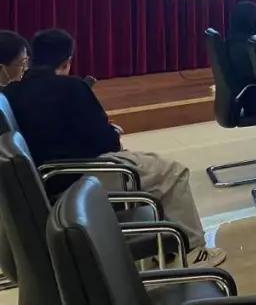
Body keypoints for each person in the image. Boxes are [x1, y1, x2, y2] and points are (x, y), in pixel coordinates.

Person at [4, 29, 224, 266]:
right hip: (77, 178)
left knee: (149, 167)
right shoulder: (72, 87)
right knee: (171, 172)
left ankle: (166, 244)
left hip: (47, 179)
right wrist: (111, 130)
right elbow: (107, 143)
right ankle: (193, 251)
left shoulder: (10, 94)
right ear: (67, 62)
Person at [225, 0, 256, 92]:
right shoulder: (254, 45)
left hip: (242, 91)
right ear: (252, 21)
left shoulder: (231, 41)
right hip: (255, 91)